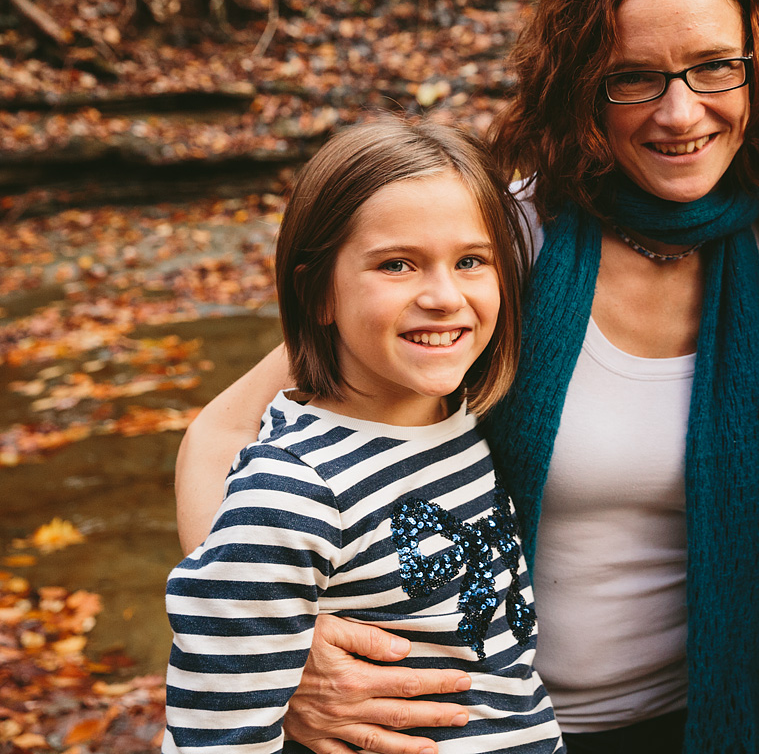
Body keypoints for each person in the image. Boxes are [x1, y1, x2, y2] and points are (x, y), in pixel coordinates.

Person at [174, 0, 759, 754]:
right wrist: (286, 650)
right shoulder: (498, 248)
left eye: (713, 67)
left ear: (758, 64)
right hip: (467, 726)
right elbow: (224, 430)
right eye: (634, 76)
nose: (679, 112)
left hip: (695, 719)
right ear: (580, 82)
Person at [164, 118, 560, 753]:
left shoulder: (456, 425)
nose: (443, 296)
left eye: (470, 261)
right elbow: (215, 736)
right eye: (397, 264)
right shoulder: (291, 491)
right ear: (319, 291)